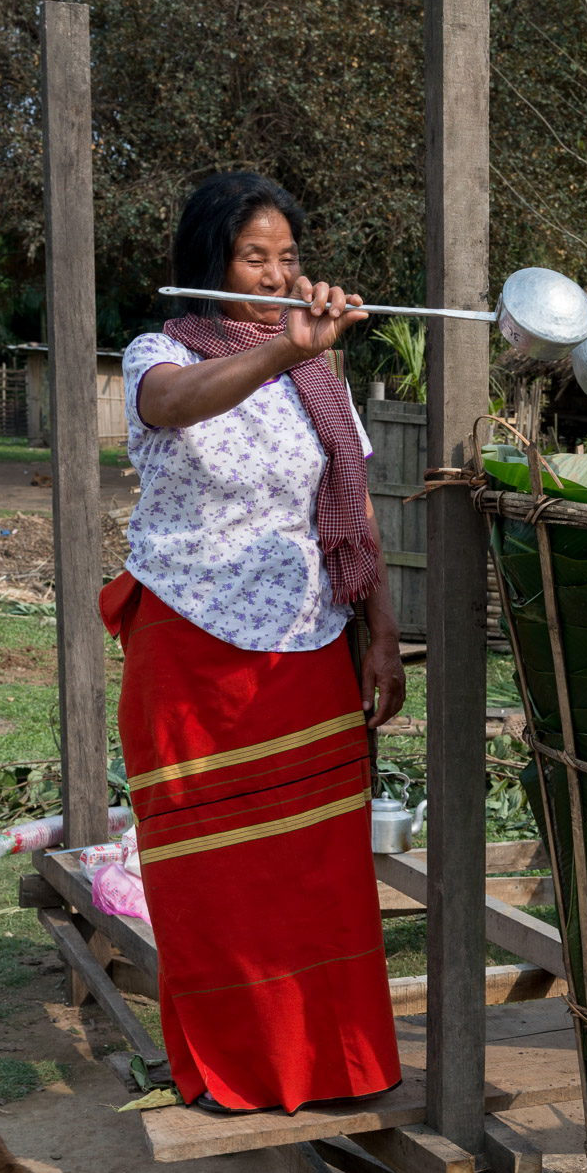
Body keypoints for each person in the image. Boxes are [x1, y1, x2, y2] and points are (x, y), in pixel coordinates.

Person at [100, 172, 406, 1116]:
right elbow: (176, 404)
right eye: (253, 257)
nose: (277, 273)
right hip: (193, 648)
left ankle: (339, 1066)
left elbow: (348, 510)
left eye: (288, 258)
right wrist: (282, 347)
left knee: (319, 869)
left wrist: (381, 637)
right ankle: (238, 1070)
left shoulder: (319, 371)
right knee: (216, 873)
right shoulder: (165, 348)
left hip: (309, 642)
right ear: (208, 262)